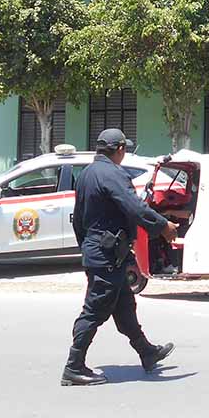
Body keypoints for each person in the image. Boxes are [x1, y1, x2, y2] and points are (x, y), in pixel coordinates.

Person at [62, 128, 179, 387]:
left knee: (124, 305)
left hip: (104, 253)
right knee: (94, 311)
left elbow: (78, 219)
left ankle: (147, 352)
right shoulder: (113, 174)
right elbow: (135, 208)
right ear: (120, 149)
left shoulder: (87, 174)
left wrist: (88, 248)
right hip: (106, 255)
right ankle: (73, 367)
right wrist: (163, 226)